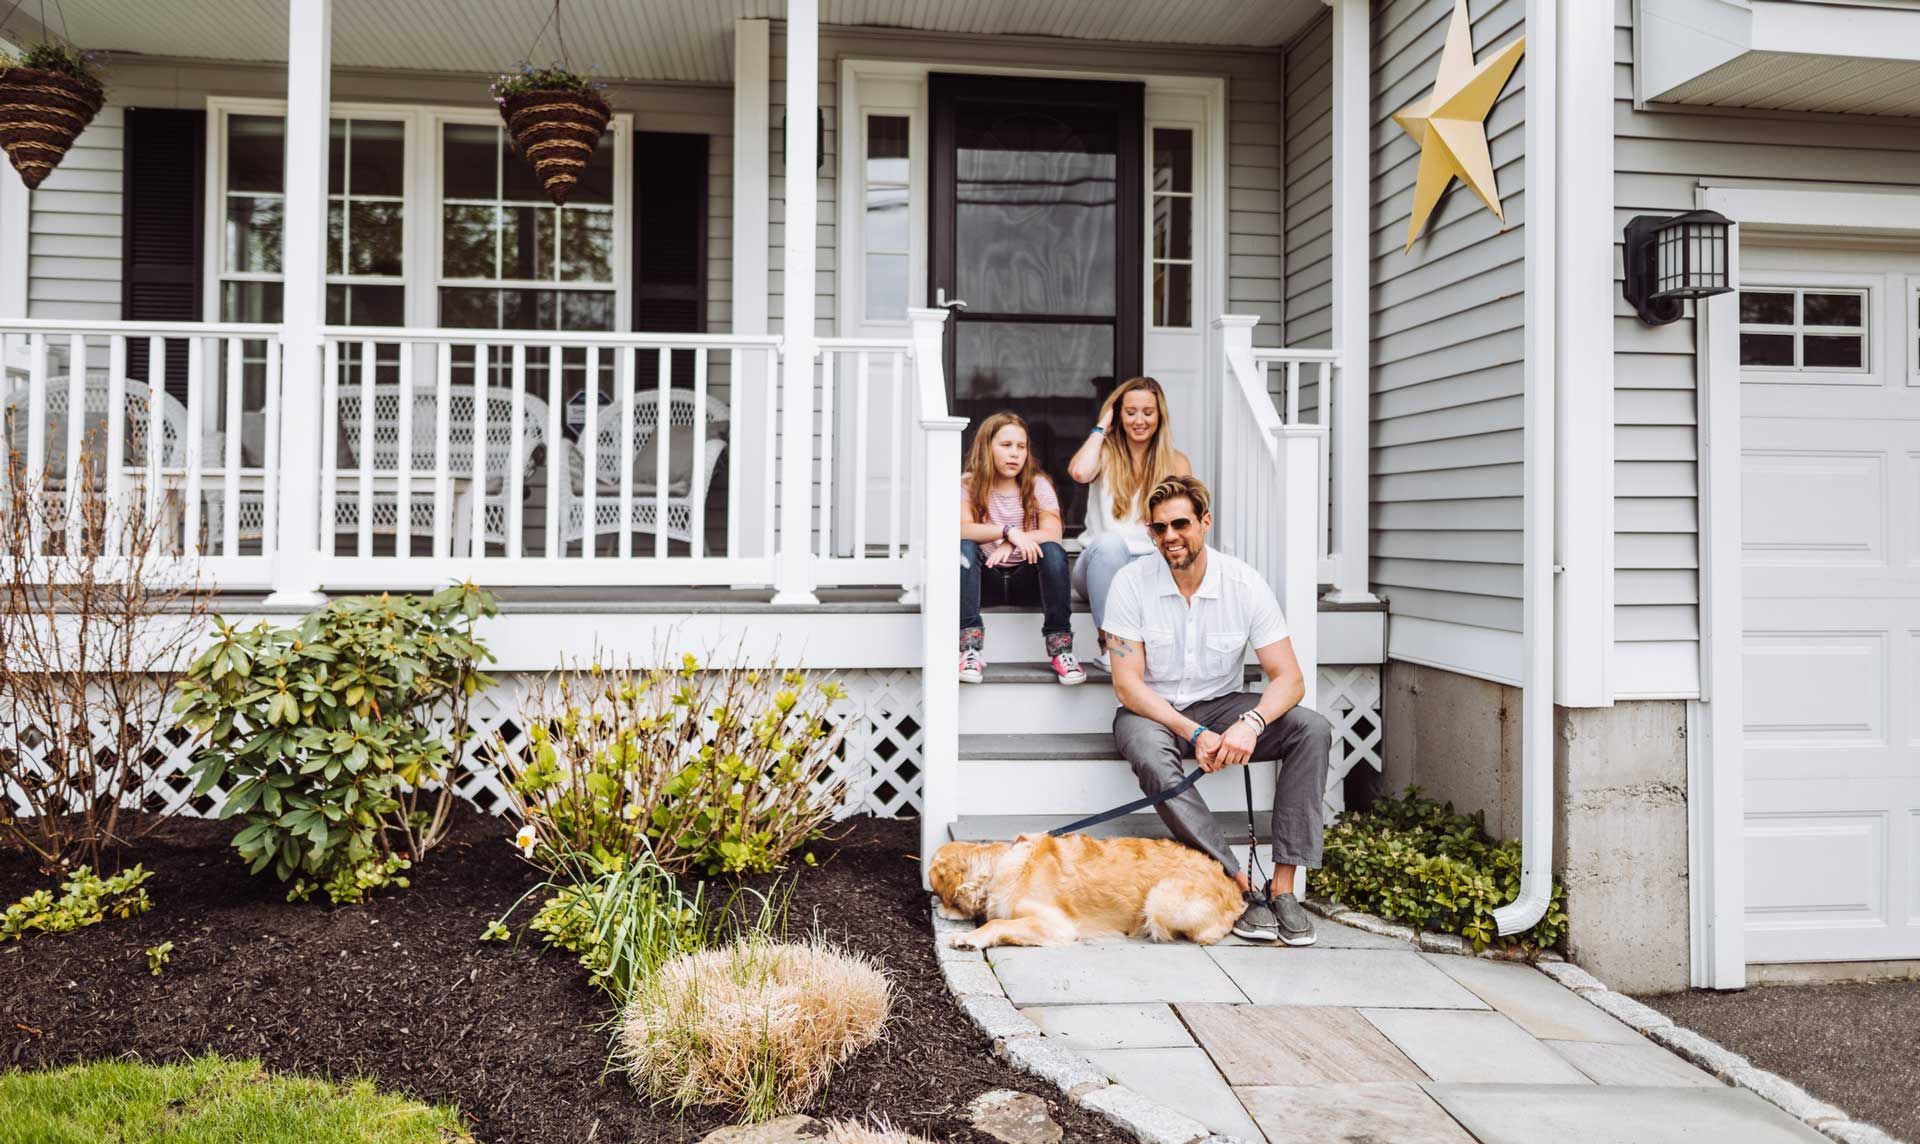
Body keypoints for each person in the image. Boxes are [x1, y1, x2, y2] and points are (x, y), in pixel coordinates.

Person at [1103, 474, 1332, 945]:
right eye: (1159, 528)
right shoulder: (1130, 583)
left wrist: (1252, 722)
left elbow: (1290, 678)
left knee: (1311, 728)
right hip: (1154, 711)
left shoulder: (1244, 583)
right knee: (1149, 753)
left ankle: (1284, 888)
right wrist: (1194, 733)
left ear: (1205, 522)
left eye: (1181, 524)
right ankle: (1238, 882)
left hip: (1224, 706)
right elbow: (1128, 686)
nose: (1170, 537)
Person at [1065, 377, 1192, 670]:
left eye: (1148, 412)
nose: (1139, 420)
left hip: (1149, 566)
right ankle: (1111, 648)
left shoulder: (1176, 463)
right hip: (1099, 565)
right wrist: (1101, 427)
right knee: (1109, 544)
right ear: (1118, 415)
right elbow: (1080, 473)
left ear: (1159, 415)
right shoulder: (1105, 453)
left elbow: (1185, 522)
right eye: (1130, 411)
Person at [959, 412, 1084, 686]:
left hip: (1027, 583)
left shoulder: (1038, 485)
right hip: (984, 582)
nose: (1015, 454)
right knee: (964, 548)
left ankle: (1061, 648)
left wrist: (1010, 542)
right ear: (986, 447)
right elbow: (961, 528)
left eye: (1021, 446)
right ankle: (969, 648)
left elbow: (1053, 533)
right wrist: (1008, 531)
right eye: (1006, 445)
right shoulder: (968, 484)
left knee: (1051, 550)